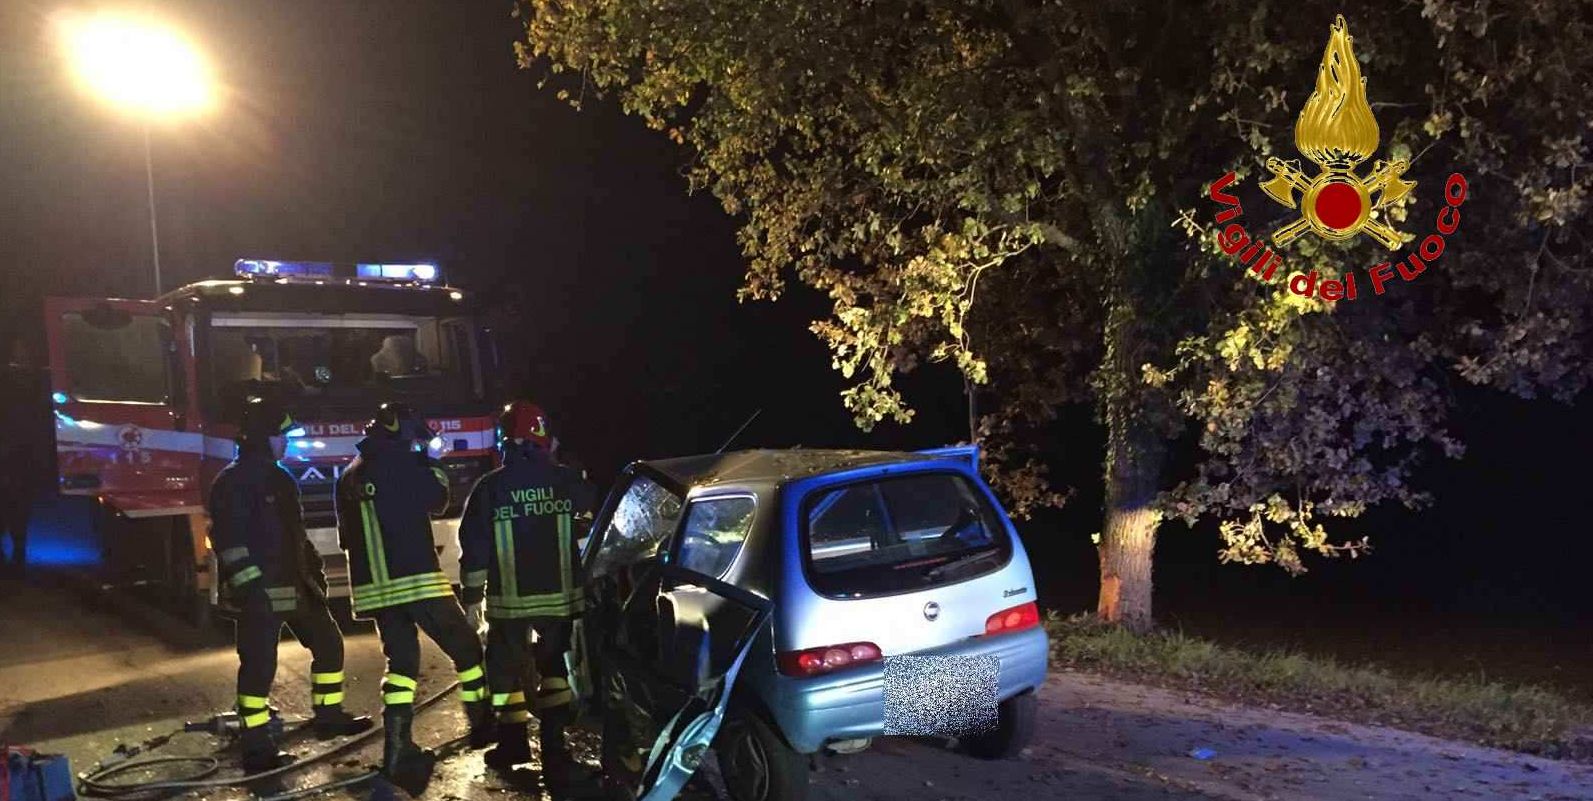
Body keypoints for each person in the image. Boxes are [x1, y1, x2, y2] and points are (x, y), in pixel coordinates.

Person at [208, 397, 373, 773]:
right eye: (282, 436)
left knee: (329, 645)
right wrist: (251, 587)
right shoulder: (233, 481)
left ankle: (329, 716)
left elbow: (293, 535)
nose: (287, 442)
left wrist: (312, 574)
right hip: (260, 594)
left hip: (295, 587)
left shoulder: (278, 476)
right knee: (258, 667)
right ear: (263, 438)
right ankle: (256, 746)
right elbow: (228, 540)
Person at [336, 402, 490, 794]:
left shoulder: (348, 477)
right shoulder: (406, 464)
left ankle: (397, 749)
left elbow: (345, 540)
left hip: (375, 589)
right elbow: (437, 498)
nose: (421, 443)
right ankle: (482, 725)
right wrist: (433, 462)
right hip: (418, 582)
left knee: (401, 665)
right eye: (416, 437)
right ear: (400, 434)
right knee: (468, 650)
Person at [459, 401, 596, 783]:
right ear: (544, 439)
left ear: (506, 440)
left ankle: (512, 744)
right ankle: (555, 752)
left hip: (509, 604)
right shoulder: (568, 481)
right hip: (560, 597)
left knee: (504, 674)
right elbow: (594, 522)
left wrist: (471, 599)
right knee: (554, 671)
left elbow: (474, 547)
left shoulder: (490, 487)